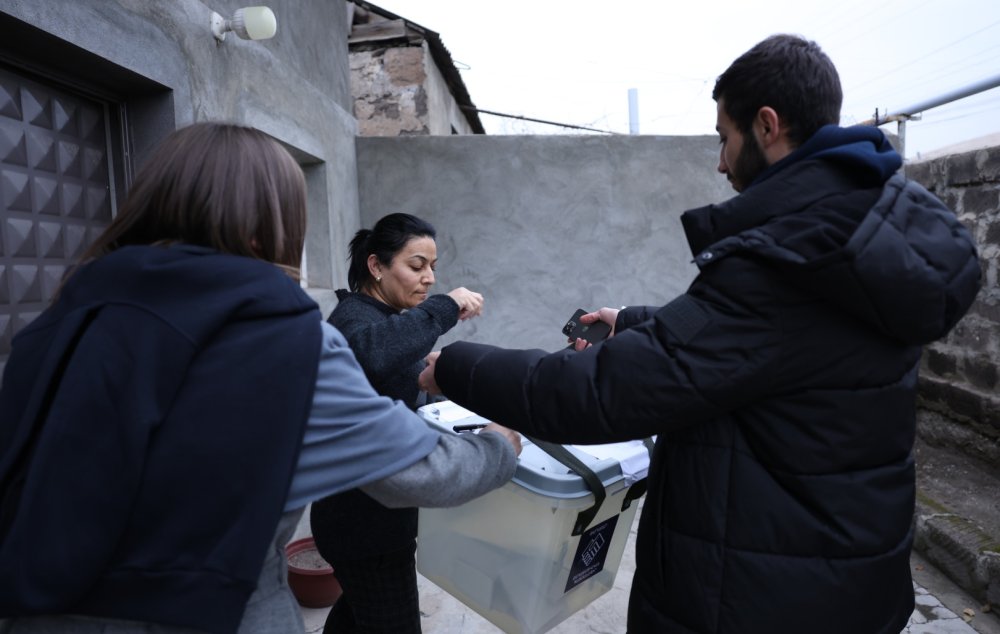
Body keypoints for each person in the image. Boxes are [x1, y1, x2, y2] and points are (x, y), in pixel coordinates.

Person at [419, 34, 981, 634]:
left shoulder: (789, 258)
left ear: (767, 126)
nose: (720, 161)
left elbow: (599, 393)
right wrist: (632, 321)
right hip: (842, 575)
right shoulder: (856, 234)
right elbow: (752, 342)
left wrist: (455, 367)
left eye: (724, 137)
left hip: (761, 600)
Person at [0, 122, 521, 634]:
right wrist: (498, 447)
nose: (428, 277)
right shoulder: (280, 340)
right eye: (416, 264)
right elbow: (420, 470)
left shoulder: (56, 322)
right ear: (266, 229)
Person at [309, 212, 483, 634]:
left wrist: (434, 381)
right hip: (364, 527)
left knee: (358, 614)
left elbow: (393, 381)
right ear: (376, 266)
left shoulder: (386, 318)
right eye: (416, 265)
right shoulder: (354, 319)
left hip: (378, 517)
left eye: (433, 268)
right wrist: (446, 305)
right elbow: (372, 355)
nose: (429, 279)